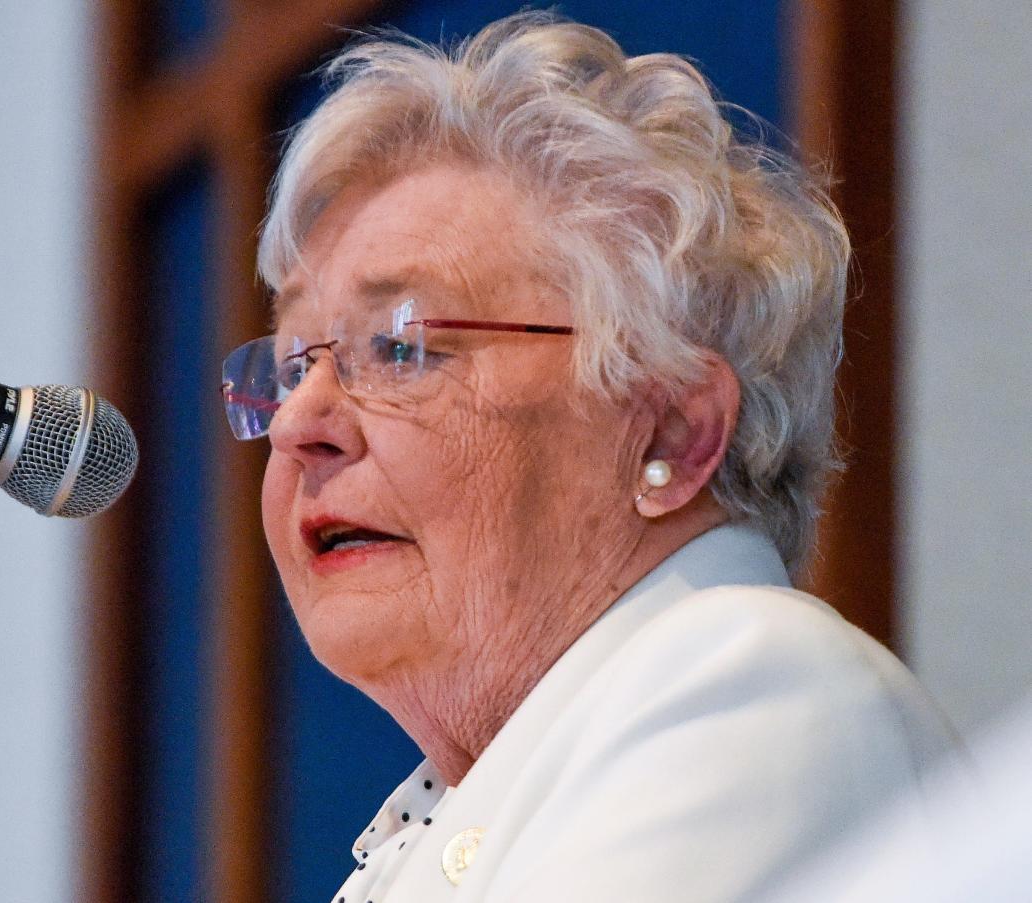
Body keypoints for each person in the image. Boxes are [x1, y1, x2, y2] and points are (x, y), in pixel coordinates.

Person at [219, 12, 960, 902]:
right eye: (297, 361)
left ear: (672, 436)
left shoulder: (752, 685)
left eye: (400, 345)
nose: (301, 421)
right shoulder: (454, 817)